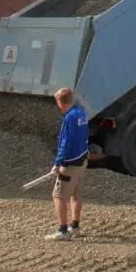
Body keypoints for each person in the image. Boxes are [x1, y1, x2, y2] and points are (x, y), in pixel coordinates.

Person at [45, 87, 89, 242]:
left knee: (58, 196)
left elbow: (66, 143)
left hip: (71, 164)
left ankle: (63, 231)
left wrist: (58, 163)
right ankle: (75, 226)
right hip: (83, 159)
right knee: (75, 194)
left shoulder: (69, 118)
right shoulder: (81, 113)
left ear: (60, 102)